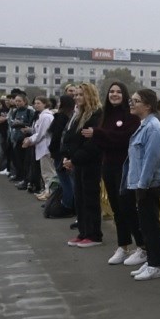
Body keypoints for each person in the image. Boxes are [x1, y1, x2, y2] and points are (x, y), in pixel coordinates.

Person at [90, 82, 145, 267]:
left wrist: (99, 134)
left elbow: (123, 139)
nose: (114, 94)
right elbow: (105, 140)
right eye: (111, 91)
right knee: (116, 208)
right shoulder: (105, 116)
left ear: (125, 94)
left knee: (128, 206)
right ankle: (123, 246)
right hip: (108, 165)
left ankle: (142, 246)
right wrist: (103, 136)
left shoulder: (130, 116)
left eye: (118, 91)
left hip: (125, 167)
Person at [123, 88, 160, 281]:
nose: (131, 104)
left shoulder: (152, 128)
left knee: (151, 225)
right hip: (140, 184)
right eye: (131, 100)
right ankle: (151, 261)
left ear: (148, 105)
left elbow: (151, 159)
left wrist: (142, 185)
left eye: (136, 101)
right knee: (146, 224)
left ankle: (157, 265)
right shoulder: (145, 125)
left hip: (147, 185)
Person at [62, 84, 105, 248]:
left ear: (90, 96)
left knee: (90, 199)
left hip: (91, 164)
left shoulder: (97, 114)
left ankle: (94, 234)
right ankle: (83, 232)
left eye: (81, 95)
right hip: (78, 163)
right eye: (76, 95)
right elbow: (71, 138)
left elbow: (91, 144)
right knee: (79, 198)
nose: (77, 97)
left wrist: (74, 159)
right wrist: (68, 157)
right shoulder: (79, 114)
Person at [21, 96, 54, 195]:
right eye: (35, 103)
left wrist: (30, 140)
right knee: (45, 173)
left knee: (48, 173)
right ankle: (47, 191)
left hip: (45, 148)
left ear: (45, 104)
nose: (36, 105)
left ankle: (50, 193)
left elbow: (41, 133)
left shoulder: (46, 116)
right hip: (42, 147)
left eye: (39, 103)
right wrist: (30, 139)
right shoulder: (42, 116)